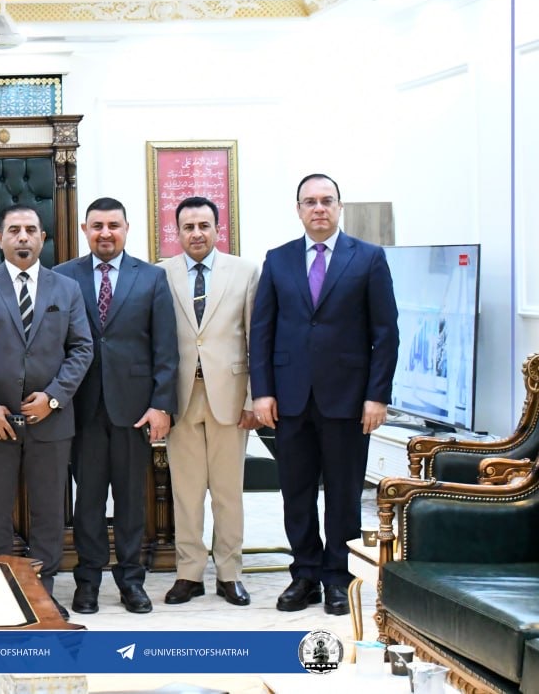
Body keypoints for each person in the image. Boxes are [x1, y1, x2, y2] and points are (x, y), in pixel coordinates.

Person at [249, 173, 398, 615]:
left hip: (348, 399)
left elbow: (386, 333)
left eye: (326, 200)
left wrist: (377, 396)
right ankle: (305, 574)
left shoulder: (368, 258)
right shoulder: (278, 260)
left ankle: (337, 577)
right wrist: (262, 392)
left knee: (343, 493)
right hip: (290, 399)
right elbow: (262, 331)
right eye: (310, 201)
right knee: (296, 493)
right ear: (298, 209)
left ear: (339, 206)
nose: (319, 208)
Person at [0, 203, 92, 619]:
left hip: (51, 420)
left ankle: (42, 593)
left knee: (49, 510)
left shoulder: (66, 288)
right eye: (14, 230)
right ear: (0, 239)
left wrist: (53, 397)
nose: (23, 237)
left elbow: (82, 349)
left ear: (42, 238)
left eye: (31, 229)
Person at [54, 197, 178, 615]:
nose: (105, 233)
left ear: (126, 228)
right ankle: (88, 581)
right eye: (97, 226)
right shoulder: (63, 276)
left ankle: (131, 580)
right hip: (82, 408)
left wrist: (162, 405)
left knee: (130, 502)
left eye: (113, 225)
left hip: (135, 409)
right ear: (85, 230)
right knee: (87, 501)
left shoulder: (153, 277)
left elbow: (166, 348)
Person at [162, 196, 260, 607]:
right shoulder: (160, 273)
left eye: (204, 225)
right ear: (178, 232)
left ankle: (229, 573)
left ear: (218, 229)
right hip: (181, 397)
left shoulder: (245, 272)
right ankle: (189, 573)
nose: (196, 233)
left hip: (230, 396)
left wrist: (253, 398)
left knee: (227, 492)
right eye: (188, 227)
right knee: (185, 493)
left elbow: (255, 337)